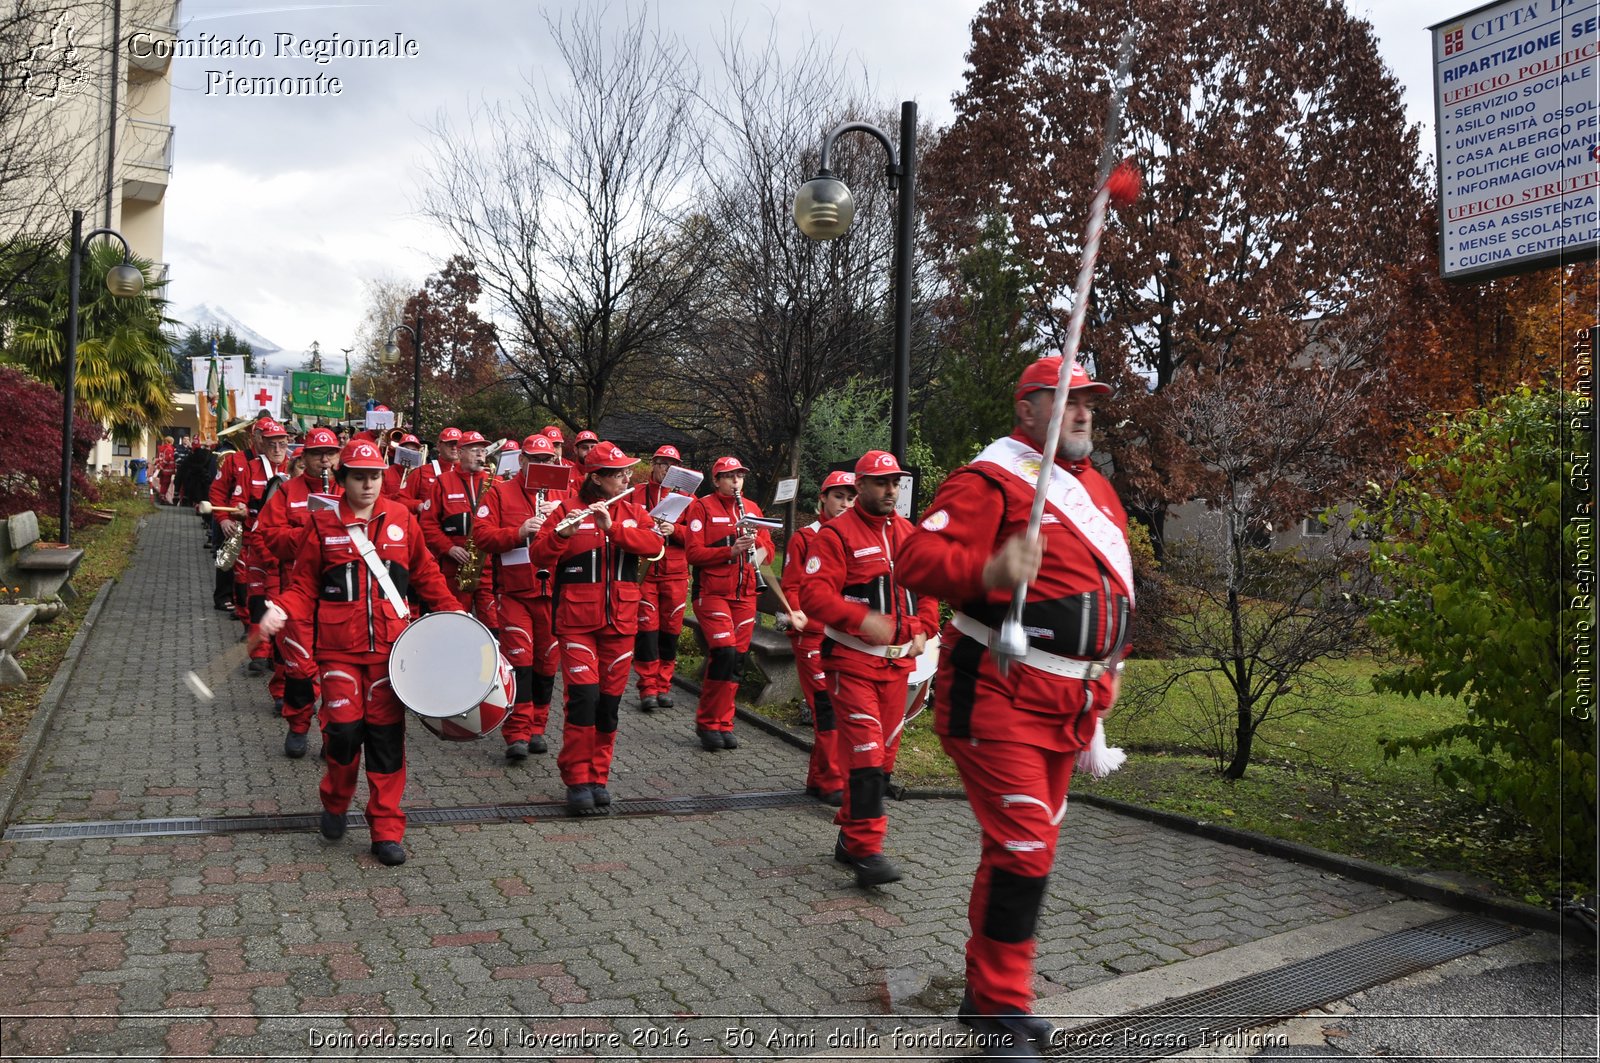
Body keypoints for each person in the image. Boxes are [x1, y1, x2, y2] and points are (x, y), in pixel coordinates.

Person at [897, 357, 1134, 1058]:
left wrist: (1106, 668)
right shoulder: (991, 479)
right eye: (1066, 401)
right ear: (1026, 408)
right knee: (1025, 845)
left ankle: (983, 997)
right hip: (998, 693)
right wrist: (988, 571)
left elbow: (1115, 591)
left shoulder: (1100, 492)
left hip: (1070, 705)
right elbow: (915, 558)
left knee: (1022, 850)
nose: (1083, 413)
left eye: (1089, 402)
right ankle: (1002, 1006)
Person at [260, 439, 463, 867]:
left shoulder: (402, 519)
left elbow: (427, 577)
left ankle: (386, 829)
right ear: (343, 479)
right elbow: (304, 587)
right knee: (344, 733)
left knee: (387, 742)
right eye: (358, 476)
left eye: (374, 476)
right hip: (338, 653)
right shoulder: (321, 524)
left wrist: (460, 620)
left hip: (393, 654)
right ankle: (335, 800)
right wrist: (281, 609)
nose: (368, 484)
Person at [800, 452, 939, 887]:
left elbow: (928, 592)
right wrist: (863, 621)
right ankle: (867, 850)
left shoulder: (910, 533)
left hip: (898, 668)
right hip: (851, 663)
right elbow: (814, 597)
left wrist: (922, 627)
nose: (891, 491)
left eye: (895, 483)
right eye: (881, 483)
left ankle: (849, 836)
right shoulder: (835, 535)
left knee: (884, 762)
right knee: (865, 755)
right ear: (859, 486)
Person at [529, 441, 663, 814]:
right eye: (619, 474)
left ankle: (598, 776)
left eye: (626, 473)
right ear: (597, 478)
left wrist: (615, 528)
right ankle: (576, 778)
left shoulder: (634, 511)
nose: (626, 478)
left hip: (619, 622)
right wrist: (561, 536)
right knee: (583, 701)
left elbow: (654, 546)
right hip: (576, 622)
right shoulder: (566, 510)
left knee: (608, 706)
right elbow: (538, 555)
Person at [472, 434, 567, 762]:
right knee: (520, 660)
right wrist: (518, 532)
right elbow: (481, 535)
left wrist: (560, 519)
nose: (540, 465)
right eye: (533, 459)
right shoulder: (500, 492)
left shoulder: (563, 495)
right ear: (522, 460)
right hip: (514, 592)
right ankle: (517, 732)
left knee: (547, 663)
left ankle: (538, 727)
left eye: (546, 460)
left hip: (552, 593)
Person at [255, 426, 343, 758]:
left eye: (330, 454)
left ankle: (332, 732)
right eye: (317, 454)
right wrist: (310, 532)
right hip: (299, 591)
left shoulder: (350, 489)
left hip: (339, 594)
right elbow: (270, 536)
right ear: (303, 457)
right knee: (300, 669)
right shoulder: (286, 491)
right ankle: (298, 725)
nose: (324, 460)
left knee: (337, 672)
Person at [680, 456, 779, 751]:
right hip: (712, 594)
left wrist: (757, 554)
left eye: (739, 475)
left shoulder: (751, 509)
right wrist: (729, 550)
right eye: (728, 475)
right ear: (716, 480)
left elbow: (770, 548)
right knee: (723, 653)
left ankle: (725, 722)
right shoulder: (701, 507)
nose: (736, 480)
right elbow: (693, 553)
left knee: (735, 660)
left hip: (745, 594)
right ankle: (708, 722)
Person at [782, 470, 856, 806]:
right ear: (822, 498)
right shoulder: (805, 537)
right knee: (827, 706)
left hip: (844, 637)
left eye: (851, 497)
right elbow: (792, 586)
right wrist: (795, 611)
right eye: (839, 496)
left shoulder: (857, 536)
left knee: (836, 706)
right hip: (812, 635)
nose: (845, 503)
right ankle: (831, 781)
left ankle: (818, 779)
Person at [626, 445, 692, 711]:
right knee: (647, 633)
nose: (666, 468)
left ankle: (664, 685)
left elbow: (697, 538)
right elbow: (626, 526)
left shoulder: (688, 498)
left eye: (672, 464)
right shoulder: (636, 493)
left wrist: (674, 529)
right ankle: (647, 688)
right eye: (662, 463)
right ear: (653, 464)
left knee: (670, 634)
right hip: (645, 572)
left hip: (675, 573)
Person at [419, 430, 492, 609]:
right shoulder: (443, 482)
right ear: (460, 453)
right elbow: (427, 525)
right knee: (457, 619)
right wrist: (449, 548)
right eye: (474, 450)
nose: (480, 454)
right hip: (455, 568)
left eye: (483, 450)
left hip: (489, 568)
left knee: (494, 626)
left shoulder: (495, 482)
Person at [382, 433, 424, 502]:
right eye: (406, 449)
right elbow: (379, 497)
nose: (409, 453)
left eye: (413, 451)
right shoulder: (386, 472)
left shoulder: (421, 474)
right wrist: (395, 497)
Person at [154, 436, 176, 504]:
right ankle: (162, 497)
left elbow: (158, 458)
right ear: (171, 442)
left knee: (162, 483)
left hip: (162, 469)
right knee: (165, 484)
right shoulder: (169, 449)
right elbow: (167, 459)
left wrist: (158, 466)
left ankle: (162, 496)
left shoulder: (161, 448)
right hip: (167, 469)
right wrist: (162, 466)